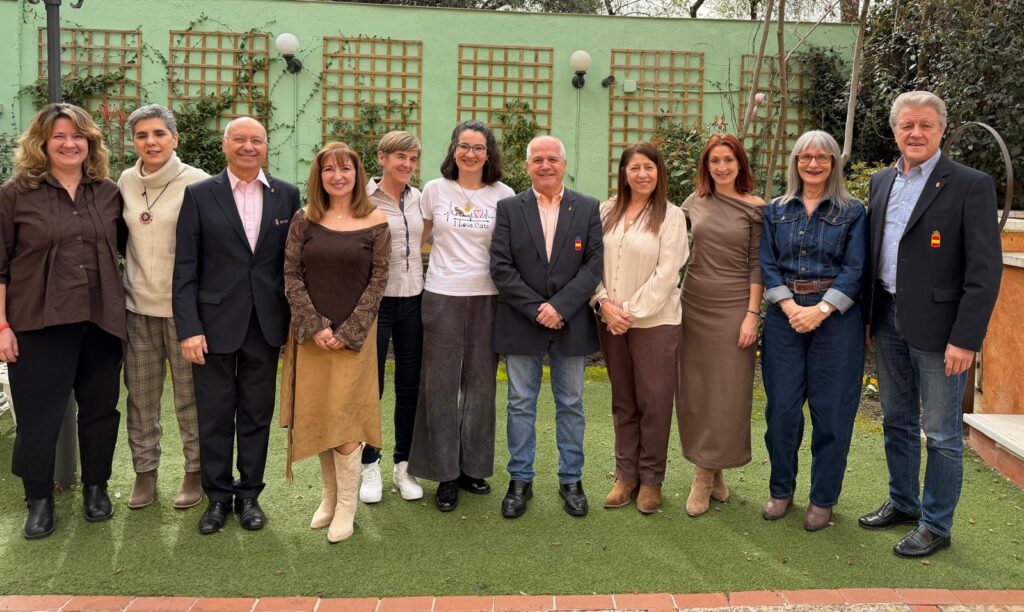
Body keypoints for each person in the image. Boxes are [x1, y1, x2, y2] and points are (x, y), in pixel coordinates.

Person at [858, 91, 1001, 558]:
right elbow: (875, 254)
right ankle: (903, 502)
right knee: (896, 418)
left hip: (942, 330)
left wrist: (965, 338)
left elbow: (984, 272)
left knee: (940, 432)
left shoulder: (970, 185)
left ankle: (936, 524)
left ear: (942, 130)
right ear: (895, 130)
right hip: (887, 316)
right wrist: (868, 317)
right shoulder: (881, 181)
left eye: (925, 125)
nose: (915, 133)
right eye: (907, 125)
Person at [0, 103, 126, 539]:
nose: (70, 144)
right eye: (59, 136)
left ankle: (96, 488)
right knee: (39, 416)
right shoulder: (14, 195)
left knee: (100, 411)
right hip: (38, 324)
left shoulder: (109, 192)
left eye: (78, 136)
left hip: (101, 322)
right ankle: (38, 500)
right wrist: (2, 327)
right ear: (41, 143)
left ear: (90, 142)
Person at [172, 116, 301, 535]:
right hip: (211, 327)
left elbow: (292, 264)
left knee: (256, 414)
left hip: (265, 324)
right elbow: (185, 268)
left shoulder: (287, 195)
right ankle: (216, 498)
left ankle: (249, 496)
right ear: (225, 145)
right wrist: (189, 328)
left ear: (266, 146)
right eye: (240, 139)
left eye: (256, 140)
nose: (249, 146)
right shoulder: (199, 194)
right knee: (213, 415)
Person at [280, 142, 389, 542]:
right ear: (319, 175)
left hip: (354, 339)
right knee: (321, 413)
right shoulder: (304, 218)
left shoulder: (376, 220)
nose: (337, 176)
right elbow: (291, 274)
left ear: (357, 175)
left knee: (345, 417)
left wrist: (347, 332)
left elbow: (379, 280)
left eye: (345, 169)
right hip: (311, 337)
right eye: (329, 169)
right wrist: (315, 326)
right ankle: (329, 498)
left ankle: (347, 506)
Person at [759, 130, 867, 532]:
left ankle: (823, 499)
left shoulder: (853, 211)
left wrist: (821, 310)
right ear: (795, 162)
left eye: (822, 157)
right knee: (782, 411)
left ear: (834, 163)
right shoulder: (775, 210)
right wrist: (790, 307)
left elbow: (856, 268)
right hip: (785, 319)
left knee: (832, 414)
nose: (813, 164)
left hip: (836, 322)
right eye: (805, 157)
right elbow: (767, 264)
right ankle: (781, 490)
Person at [491, 135, 603, 519]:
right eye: (537, 159)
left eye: (552, 158)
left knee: (570, 403)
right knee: (520, 403)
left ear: (564, 164)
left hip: (571, 322)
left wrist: (560, 307)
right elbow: (501, 266)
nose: (545, 165)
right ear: (527, 166)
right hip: (522, 320)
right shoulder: (509, 208)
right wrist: (538, 309)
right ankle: (520, 480)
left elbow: (593, 265)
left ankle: (571, 479)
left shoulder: (587, 207)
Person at [407, 120, 514, 512]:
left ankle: (473, 468)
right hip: (442, 296)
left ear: (489, 154)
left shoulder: (504, 195)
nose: (471, 153)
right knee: (439, 387)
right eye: (464, 146)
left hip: (488, 298)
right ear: (454, 150)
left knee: (481, 387)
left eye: (478, 147)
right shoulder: (435, 190)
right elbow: (414, 240)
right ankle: (445, 474)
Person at [118, 103, 209, 510]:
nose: (150, 142)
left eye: (158, 133)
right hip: (136, 308)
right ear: (134, 142)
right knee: (141, 397)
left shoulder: (199, 182)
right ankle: (145, 471)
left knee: (189, 398)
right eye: (142, 135)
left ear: (175, 138)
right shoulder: (124, 181)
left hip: (183, 313)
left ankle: (195, 471)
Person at [591, 142, 688, 515]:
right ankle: (625, 476)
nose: (642, 174)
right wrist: (603, 303)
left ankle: (651, 480)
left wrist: (627, 312)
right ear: (624, 172)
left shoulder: (671, 216)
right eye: (635, 167)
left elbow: (667, 274)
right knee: (623, 400)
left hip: (655, 322)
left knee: (655, 402)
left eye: (649, 167)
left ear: (659, 172)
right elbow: (589, 262)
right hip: (609, 319)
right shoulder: (605, 211)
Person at [677, 134, 765, 517]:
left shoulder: (756, 208)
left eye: (728, 160)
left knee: (727, 392)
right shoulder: (693, 202)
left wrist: (752, 314)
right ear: (706, 166)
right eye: (715, 161)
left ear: (740, 163)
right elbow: (666, 238)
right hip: (693, 303)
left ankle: (703, 474)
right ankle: (712, 471)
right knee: (697, 390)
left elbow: (758, 264)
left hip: (734, 307)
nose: (722, 167)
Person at [358, 131, 425, 504]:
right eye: (401, 157)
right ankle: (370, 463)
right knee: (371, 388)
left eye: (413, 159)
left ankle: (404, 465)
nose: (407, 165)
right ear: (382, 158)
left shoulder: (420, 199)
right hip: (375, 304)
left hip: (414, 300)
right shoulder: (362, 198)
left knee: (410, 386)